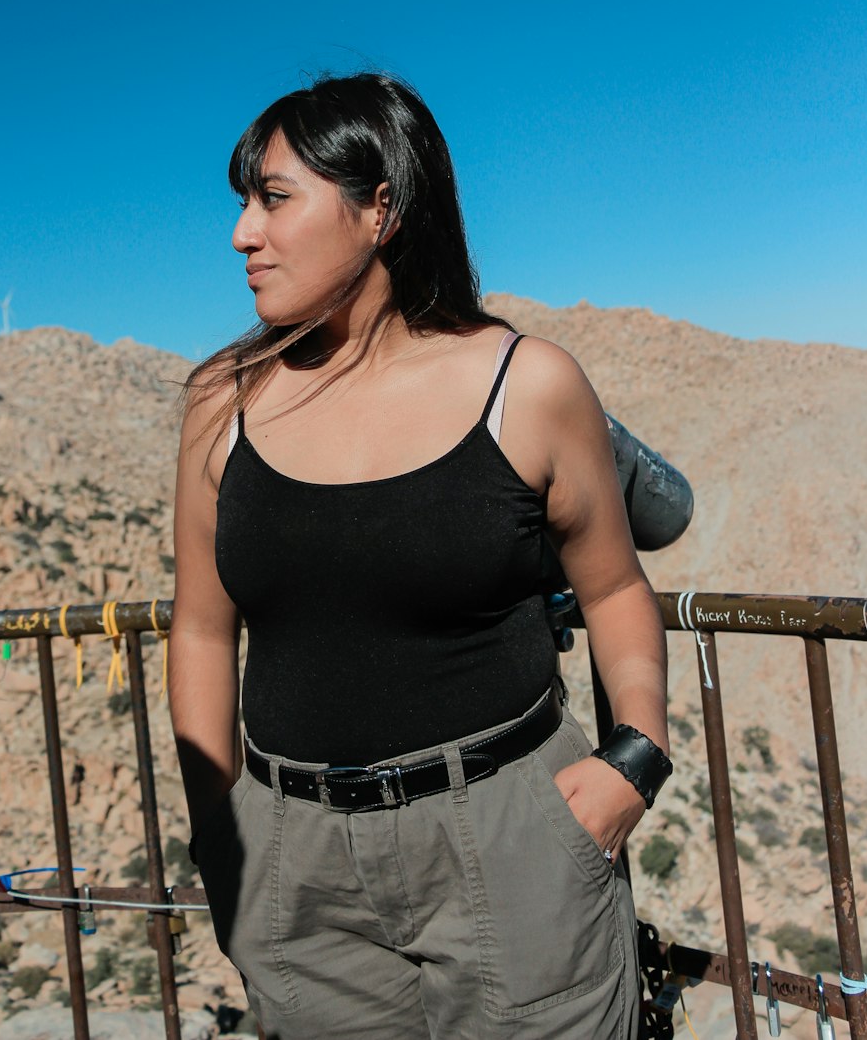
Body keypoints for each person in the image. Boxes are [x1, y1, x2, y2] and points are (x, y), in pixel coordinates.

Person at [168, 73, 670, 1040]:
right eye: (244, 202)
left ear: (381, 209)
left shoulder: (528, 384)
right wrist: (218, 836)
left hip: (512, 838)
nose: (242, 233)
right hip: (293, 861)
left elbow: (612, 589)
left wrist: (632, 763)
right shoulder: (219, 402)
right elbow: (199, 625)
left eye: (274, 198)